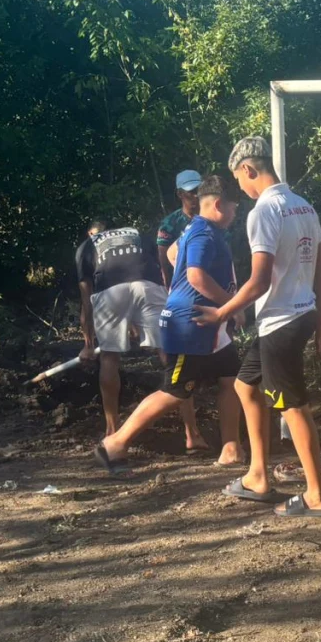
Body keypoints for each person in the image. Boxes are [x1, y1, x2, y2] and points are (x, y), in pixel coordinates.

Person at [194, 136, 321, 517]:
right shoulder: (302, 205)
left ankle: (317, 496)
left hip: (281, 321)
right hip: (299, 313)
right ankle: (258, 475)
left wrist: (221, 312)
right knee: (245, 385)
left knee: (293, 407)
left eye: (238, 181)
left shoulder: (264, 211)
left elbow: (258, 282)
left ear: (249, 170)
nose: (239, 189)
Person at [95, 176, 244, 472]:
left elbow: (175, 254)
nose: (236, 214)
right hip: (191, 326)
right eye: (234, 208)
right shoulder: (204, 234)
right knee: (175, 391)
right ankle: (115, 443)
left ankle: (231, 448)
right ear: (217, 205)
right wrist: (231, 304)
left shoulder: (196, 228)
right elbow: (196, 276)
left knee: (232, 381)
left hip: (209, 326)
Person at [75, 219, 167, 437]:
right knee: (169, 353)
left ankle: (112, 432)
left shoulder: (86, 247)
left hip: (110, 292)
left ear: (92, 233)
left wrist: (88, 345)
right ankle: (192, 433)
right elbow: (150, 272)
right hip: (150, 285)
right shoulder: (136, 233)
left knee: (109, 358)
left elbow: (86, 300)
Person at [156, 169, 202, 286]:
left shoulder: (212, 217)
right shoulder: (169, 224)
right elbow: (163, 260)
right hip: (182, 284)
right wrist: (167, 286)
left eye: (199, 190)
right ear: (180, 194)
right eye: (191, 191)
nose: (196, 195)